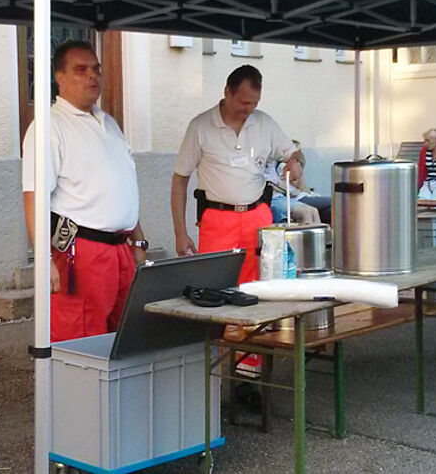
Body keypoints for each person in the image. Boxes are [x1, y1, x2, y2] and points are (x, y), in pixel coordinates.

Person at [21, 41, 147, 343]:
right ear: (60, 77)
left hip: (121, 250)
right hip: (83, 252)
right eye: (81, 70)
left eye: (96, 69)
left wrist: (138, 240)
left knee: (124, 339)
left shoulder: (110, 124)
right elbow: (35, 196)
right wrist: (44, 260)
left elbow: (123, 187)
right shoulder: (50, 127)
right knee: (83, 342)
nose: (92, 76)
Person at [170, 65, 296, 283]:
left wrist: (296, 163)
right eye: (244, 102)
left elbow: (293, 153)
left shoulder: (264, 122)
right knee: (215, 285)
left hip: (258, 217)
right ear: (227, 92)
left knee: (260, 283)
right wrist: (180, 233)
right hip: (218, 219)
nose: (249, 109)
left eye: (254, 103)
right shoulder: (200, 126)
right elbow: (180, 180)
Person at [268, 144, 332, 225]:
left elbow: (301, 187)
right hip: (286, 198)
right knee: (333, 202)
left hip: (288, 197)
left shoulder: (282, 165)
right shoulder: (277, 166)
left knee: (329, 211)